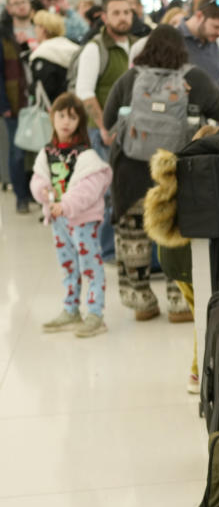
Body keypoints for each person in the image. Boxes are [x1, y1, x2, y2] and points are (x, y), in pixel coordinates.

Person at [103, 24, 219, 323]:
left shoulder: (131, 77)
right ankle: (179, 303)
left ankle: (142, 302)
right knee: (175, 235)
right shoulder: (193, 76)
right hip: (175, 170)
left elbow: (108, 120)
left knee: (133, 238)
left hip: (130, 172)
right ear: (180, 50)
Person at [30, 92, 112, 338]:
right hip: (59, 222)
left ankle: (95, 314)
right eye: (61, 115)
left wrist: (65, 204)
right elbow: (38, 179)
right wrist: (42, 192)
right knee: (67, 266)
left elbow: (88, 190)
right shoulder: (47, 153)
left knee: (90, 265)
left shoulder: (86, 156)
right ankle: (70, 309)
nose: (66, 121)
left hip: (82, 221)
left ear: (80, 122)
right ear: (52, 117)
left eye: (72, 117)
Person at [75, 0, 138, 260]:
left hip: (132, 131)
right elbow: (85, 93)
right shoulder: (94, 49)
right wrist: (104, 128)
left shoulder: (136, 43)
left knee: (127, 189)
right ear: (104, 16)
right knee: (108, 192)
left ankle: (124, 247)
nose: (123, 18)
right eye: (116, 13)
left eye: (126, 12)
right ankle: (108, 250)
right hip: (103, 131)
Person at [1, 3, 31, 213]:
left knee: (32, 151)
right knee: (17, 150)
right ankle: (21, 196)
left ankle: (31, 193)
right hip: (13, 103)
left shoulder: (16, 38)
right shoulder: (3, 39)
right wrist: (3, 104)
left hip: (32, 100)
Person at [30, 10, 79, 103]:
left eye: (36, 26)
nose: (34, 30)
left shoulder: (43, 54)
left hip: (52, 108)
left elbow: (45, 88)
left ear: (43, 29)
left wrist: (30, 88)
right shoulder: (71, 47)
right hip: (72, 103)